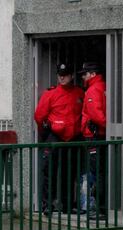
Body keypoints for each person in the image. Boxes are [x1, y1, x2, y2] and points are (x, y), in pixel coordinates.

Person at [34, 63, 84, 216]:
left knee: (70, 172)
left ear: (72, 75)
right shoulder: (50, 94)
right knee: (49, 171)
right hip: (55, 137)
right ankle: (47, 204)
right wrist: (46, 135)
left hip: (73, 138)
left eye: (65, 74)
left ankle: (67, 204)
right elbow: (39, 116)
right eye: (60, 75)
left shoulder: (79, 93)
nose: (62, 77)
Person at [79, 62, 106, 220]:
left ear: (93, 74)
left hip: (94, 136)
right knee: (100, 171)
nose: (83, 76)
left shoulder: (93, 89)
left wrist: (104, 126)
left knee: (95, 173)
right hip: (101, 135)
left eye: (85, 73)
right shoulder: (104, 86)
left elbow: (96, 115)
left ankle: (95, 208)